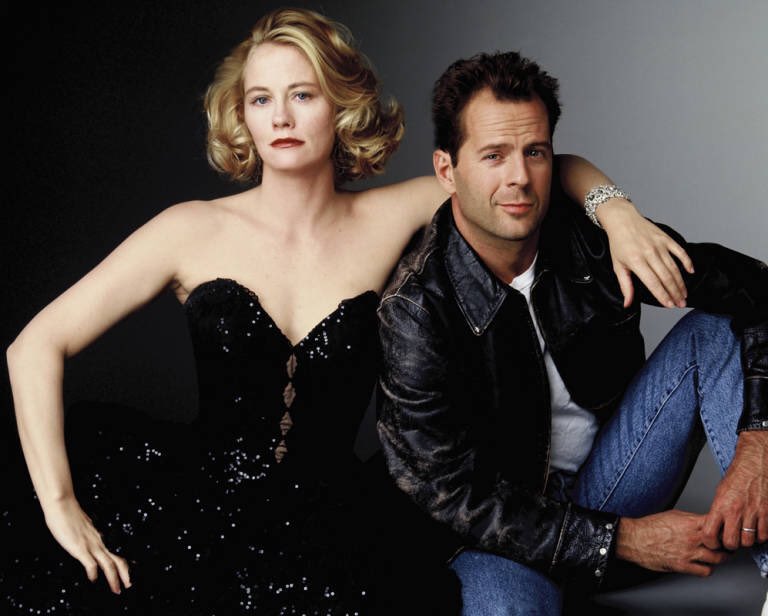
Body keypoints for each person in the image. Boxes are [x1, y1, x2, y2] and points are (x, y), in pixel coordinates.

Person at [2, 8, 693, 615]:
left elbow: (526, 165)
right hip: (196, 510)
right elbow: (33, 347)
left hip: (337, 521)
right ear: (241, 115)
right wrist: (61, 506)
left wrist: (617, 214)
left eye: (302, 95)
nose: (280, 117)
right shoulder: (189, 229)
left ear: (341, 107)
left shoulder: (390, 215)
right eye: (261, 99)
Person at [376, 50, 768, 614]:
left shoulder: (591, 243)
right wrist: (623, 541)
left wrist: (758, 443)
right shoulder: (417, 306)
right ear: (446, 170)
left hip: (611, 485)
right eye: (493, 155)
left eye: (534, 152)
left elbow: (756, 290)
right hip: (499, 536)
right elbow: (449, 492)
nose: (518, 177)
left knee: (712, 331)